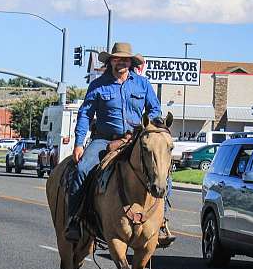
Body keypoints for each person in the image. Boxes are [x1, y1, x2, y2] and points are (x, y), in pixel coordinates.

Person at [65, 42, 175, 246]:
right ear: (111, 62)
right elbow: (85, 114)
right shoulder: (98, 85)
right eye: (117, 59)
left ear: (131, 62)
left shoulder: (142, 84)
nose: (121, 63)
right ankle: (75, 219)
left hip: (135, 139)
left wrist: (151, 125)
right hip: (104, 140)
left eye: (125, 59)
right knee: (82, 169)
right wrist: (79, 143)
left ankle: (161, 223)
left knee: (163, 175)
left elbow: (155, 109)